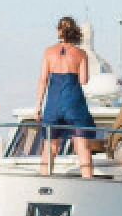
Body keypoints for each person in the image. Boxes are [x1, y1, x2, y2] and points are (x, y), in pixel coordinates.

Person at [35, 16, 96, 178]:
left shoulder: (48, 52)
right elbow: (84, 80)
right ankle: (88, 180)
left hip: (54, 103)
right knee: (82, 146)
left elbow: (43, 80)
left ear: (58, 31)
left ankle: (44, 180)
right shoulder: (81, 54)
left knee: (50, 147)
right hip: (74, 101)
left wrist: (38, 107)